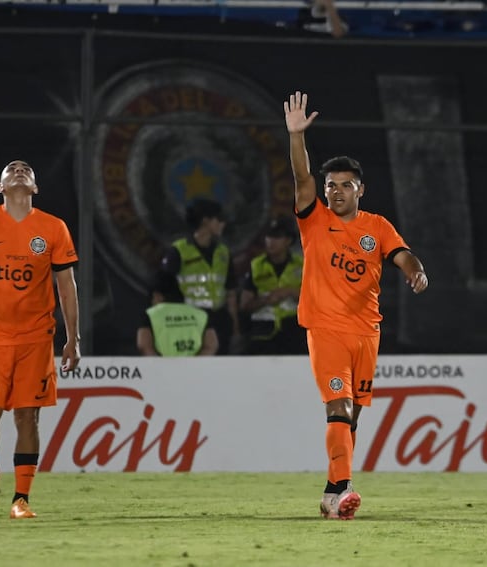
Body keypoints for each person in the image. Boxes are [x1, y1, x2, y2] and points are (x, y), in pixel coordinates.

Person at [284, 91, 429, 520]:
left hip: (367, 333)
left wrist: (414, 271)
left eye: (346, 185)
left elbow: (403, 254)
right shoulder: (314, 220)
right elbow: (300, 177)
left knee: (352, 418)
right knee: (339, 408)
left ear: (360, 190)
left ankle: (332, 493)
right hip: (325, 329)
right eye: (332, 185)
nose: (337, 191)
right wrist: (296, 138)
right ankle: (345, 489)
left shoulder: (377, 227)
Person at [0, 159, 81, 519]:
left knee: (28, 418)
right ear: (1, 187)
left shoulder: (53, 229)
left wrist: (73, 338)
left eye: (26, 169)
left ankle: (20, 500)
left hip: (35, 338)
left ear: (35, 188)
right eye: (11, 169)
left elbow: (66, 288)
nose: (19, 170)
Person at [158, 198, 242, 355]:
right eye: (219, 219)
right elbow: (161, 291)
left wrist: (235, 328)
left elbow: (230, 293)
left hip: (219, 320)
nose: (222, 224)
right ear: (206, 221)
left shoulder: (223, 252)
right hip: (189, 320)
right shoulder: (179, 251)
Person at [239, 215, 306, 355]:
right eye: (268, 236)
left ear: (288, 240)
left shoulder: (302, 265)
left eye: (277, 237)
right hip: (263, 331)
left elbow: (318, 300)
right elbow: (245, 306)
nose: (271, 242)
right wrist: (266, 300)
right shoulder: (256, 266)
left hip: (294, 331)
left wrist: (290, 292)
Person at [136, 275, 219, 356]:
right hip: (195, 368)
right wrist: (195, 365)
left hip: (163, 367)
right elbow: (211, 345)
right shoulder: (201, 314)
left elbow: (144, 345)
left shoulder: (150, 314)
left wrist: (161, 366)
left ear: (157, 295)